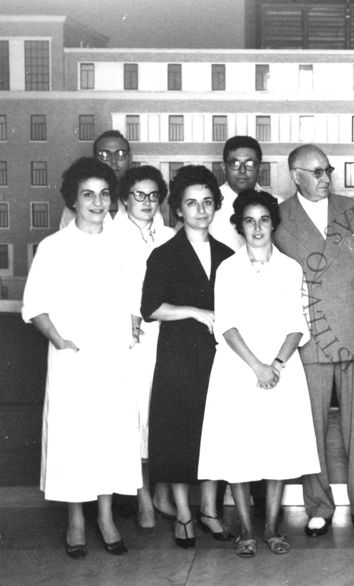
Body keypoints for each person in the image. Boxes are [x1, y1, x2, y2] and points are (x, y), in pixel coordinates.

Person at [22, 157, 141, 559]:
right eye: (88, 194)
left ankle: (105, 517)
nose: (97, 201)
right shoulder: (54, 248)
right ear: (72, 200)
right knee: (74, 440)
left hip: (112, 359)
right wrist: (59, 340)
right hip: (72, 358)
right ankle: (76, 520)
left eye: (104, 194)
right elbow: (35, 305)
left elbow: (134, 299)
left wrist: (131, 326)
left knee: (109, 436)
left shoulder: (121, 243)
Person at [198, 189, 320, 558]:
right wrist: (257, 366)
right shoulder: (228, 269)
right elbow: (227, 325)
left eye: (263, 219)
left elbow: (298, 324)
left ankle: (271, 527)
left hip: (281, 370)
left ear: (273, 224)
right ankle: (246, 531)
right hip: (238, 370)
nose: (257, 228)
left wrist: (277, 365)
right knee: (240, 450)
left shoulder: (291, 268)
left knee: (276, 448)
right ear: (239, 226)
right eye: (249, 221)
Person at [273, 144, 354, 537]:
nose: (326, 178)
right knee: (313, 426)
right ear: (296, 176)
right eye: (317, 172)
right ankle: (318, 506)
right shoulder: (279, 217)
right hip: (309, 336)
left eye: (328, 170)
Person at [140, 165, 234, 549]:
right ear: (177, 209)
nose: (200, 210)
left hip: (219, 359)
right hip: (178, 359)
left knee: (214, 435)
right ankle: (183, 515)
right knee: (178, 437)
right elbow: (150, 308)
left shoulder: (229, 255)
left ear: (216, 207)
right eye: (191, 203)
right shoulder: (164, 255)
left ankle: (209, 511)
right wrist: (195, 312)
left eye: (207, 202)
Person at [113, 165, 177, 533]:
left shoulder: (169, 235)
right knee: (132, 418)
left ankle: (161, 493)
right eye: (139, 195)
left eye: (154, 196)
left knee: (161, 417)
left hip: (163, 338)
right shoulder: (111, 235)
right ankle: (141, 499)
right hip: (128, 339)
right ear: (124, 198)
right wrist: (128, 315)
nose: (147, 202)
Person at [208, 135, 272, 250]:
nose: (242, 171)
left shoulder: (275, 204)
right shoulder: (207, 205)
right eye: (235, 164)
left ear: (260, 168)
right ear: (223, 167)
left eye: (250, 164)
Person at [60, 131, 131, 229]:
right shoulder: (77, 204)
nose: (113, 161)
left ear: (130, 159)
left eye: (120, 153)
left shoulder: (144, 198)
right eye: (105, 155)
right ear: (95, 159)